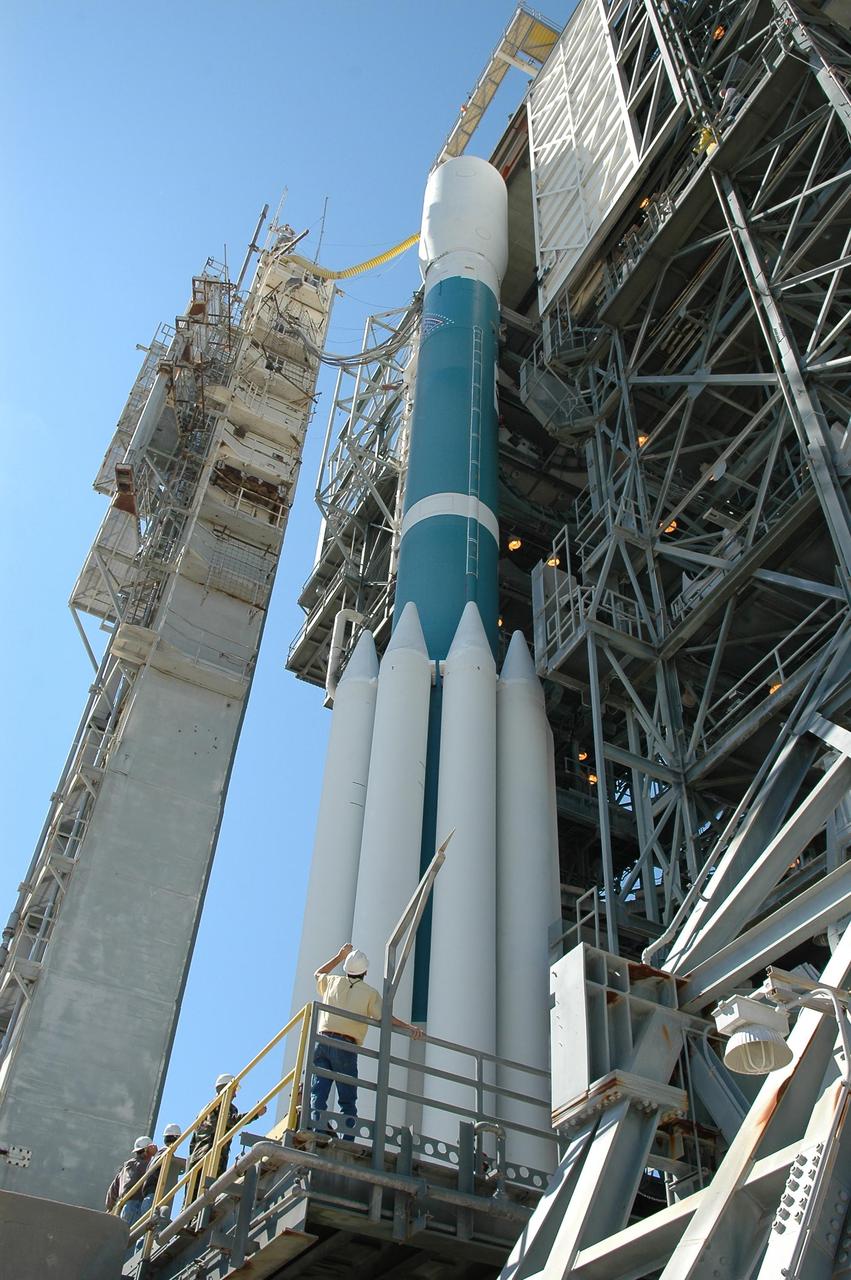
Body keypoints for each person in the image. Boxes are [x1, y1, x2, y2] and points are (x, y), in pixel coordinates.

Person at [310, 942, 424, 1140]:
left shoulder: (333, 982)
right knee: (347, 1099)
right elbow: (386, 1018)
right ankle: (347, 1139)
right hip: (346, 1046)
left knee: (318, 1092)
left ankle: (317, 1131)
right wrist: (410, 1028)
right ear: (366, 972)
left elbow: (318, 973)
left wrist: (339, 956)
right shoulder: (370, 994)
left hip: (323, 1041)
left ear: (346, 968)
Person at [186, 1075, 266, 1197]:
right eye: (234, 1090)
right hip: (214, 1158)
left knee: (192, 1198)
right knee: (210, 1194)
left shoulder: (205, 1110)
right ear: (226, 1088)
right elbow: (231, 1121)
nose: (235, 1095)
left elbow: (192, 1142)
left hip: (197, 1159)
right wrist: (255, 1113)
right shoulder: (223, 1104)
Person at [105, 1136, 157, 1224]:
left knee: (125, 1231)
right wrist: (156, 1154)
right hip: (136, 1206)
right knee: (136, 1231)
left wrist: (110, 1208)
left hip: (124, 1209)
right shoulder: (145, 1165)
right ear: (148, 1150)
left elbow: (112, 1192)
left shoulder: (125, 1168)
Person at [139, 1123, 183, 1219]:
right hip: (153, 1197)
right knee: (156, 1223)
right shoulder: (166, 1153)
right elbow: (172, 1161)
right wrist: (187, 1163)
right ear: (177, 1138)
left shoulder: (158, 1155)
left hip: (148, 1198)